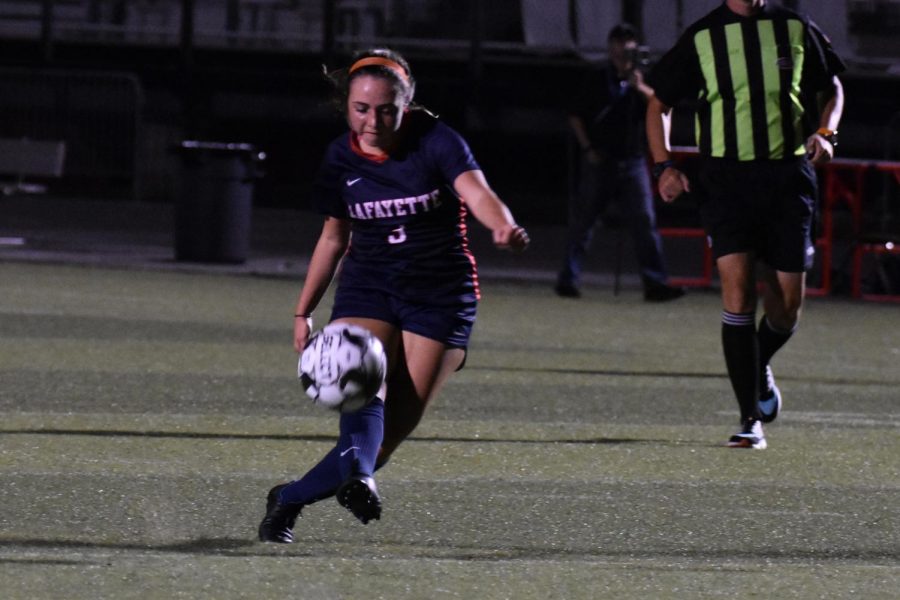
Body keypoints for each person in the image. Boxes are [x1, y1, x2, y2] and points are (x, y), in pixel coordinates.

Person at [258, 48, 530, 542]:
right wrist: (303, 310)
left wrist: (503, 226)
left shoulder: (438, 142)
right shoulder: (340, 157)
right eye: (361, 108)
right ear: (347, 105)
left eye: (386, 109)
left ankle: (291, 497)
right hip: (370, 286)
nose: (372, 120)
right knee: (358, 382)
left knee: (385, 436)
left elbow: (477, 191)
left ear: (406, 105)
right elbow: (333, 237)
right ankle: (359, 478)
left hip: (441, 294)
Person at [646, 0, 845, 449]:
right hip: (725, 182)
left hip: (788, 179)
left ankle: (756, 366)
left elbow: (832, 86)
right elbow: (659, 102)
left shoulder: (794, 27)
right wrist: (663, 167)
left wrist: (826, 132)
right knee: (737, 292)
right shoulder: (703, 36)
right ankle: (748, 419)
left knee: (786, 307)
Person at [556, 23, 686, 302]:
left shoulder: (643, 79)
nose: (622, 50)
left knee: (644, 222)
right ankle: (568, 278)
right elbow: (575, 115)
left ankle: (655, 283)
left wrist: (638, 85)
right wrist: (587, 147)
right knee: (584, 221)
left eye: (628, 44)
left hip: (632, 161)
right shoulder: (596, 79)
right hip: (600, 158)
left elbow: (659, 107)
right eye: (618, 43)